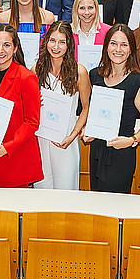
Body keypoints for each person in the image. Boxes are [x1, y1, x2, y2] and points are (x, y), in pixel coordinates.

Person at [83, 24, 140, 193]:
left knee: (116, 208)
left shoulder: (137, 83)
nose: (118, 49)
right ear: (106, 46)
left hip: (121, 152)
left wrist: (132, 140)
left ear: (131, 49)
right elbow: (90, 112)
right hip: (96, 151)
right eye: (113, 43)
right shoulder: (94, 75)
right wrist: (88, 130)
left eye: (124, 45)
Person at [0, 25, 42, 187]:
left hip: (15, 157)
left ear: (15, 48)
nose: (0, 50)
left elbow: (32, 122)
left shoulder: (26, 77)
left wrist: (8, 147)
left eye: (6, 45)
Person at [32, 21, 90, 190]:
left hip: (66, 141)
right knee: (42, 192)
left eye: (62, 42)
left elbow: (86, 107)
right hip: (41, 140)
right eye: (52, 40)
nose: (56, 47)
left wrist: (73, 136)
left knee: (66, 194)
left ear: (69, 45)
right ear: (46, 42)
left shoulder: (79, 72)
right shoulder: (36, 70)